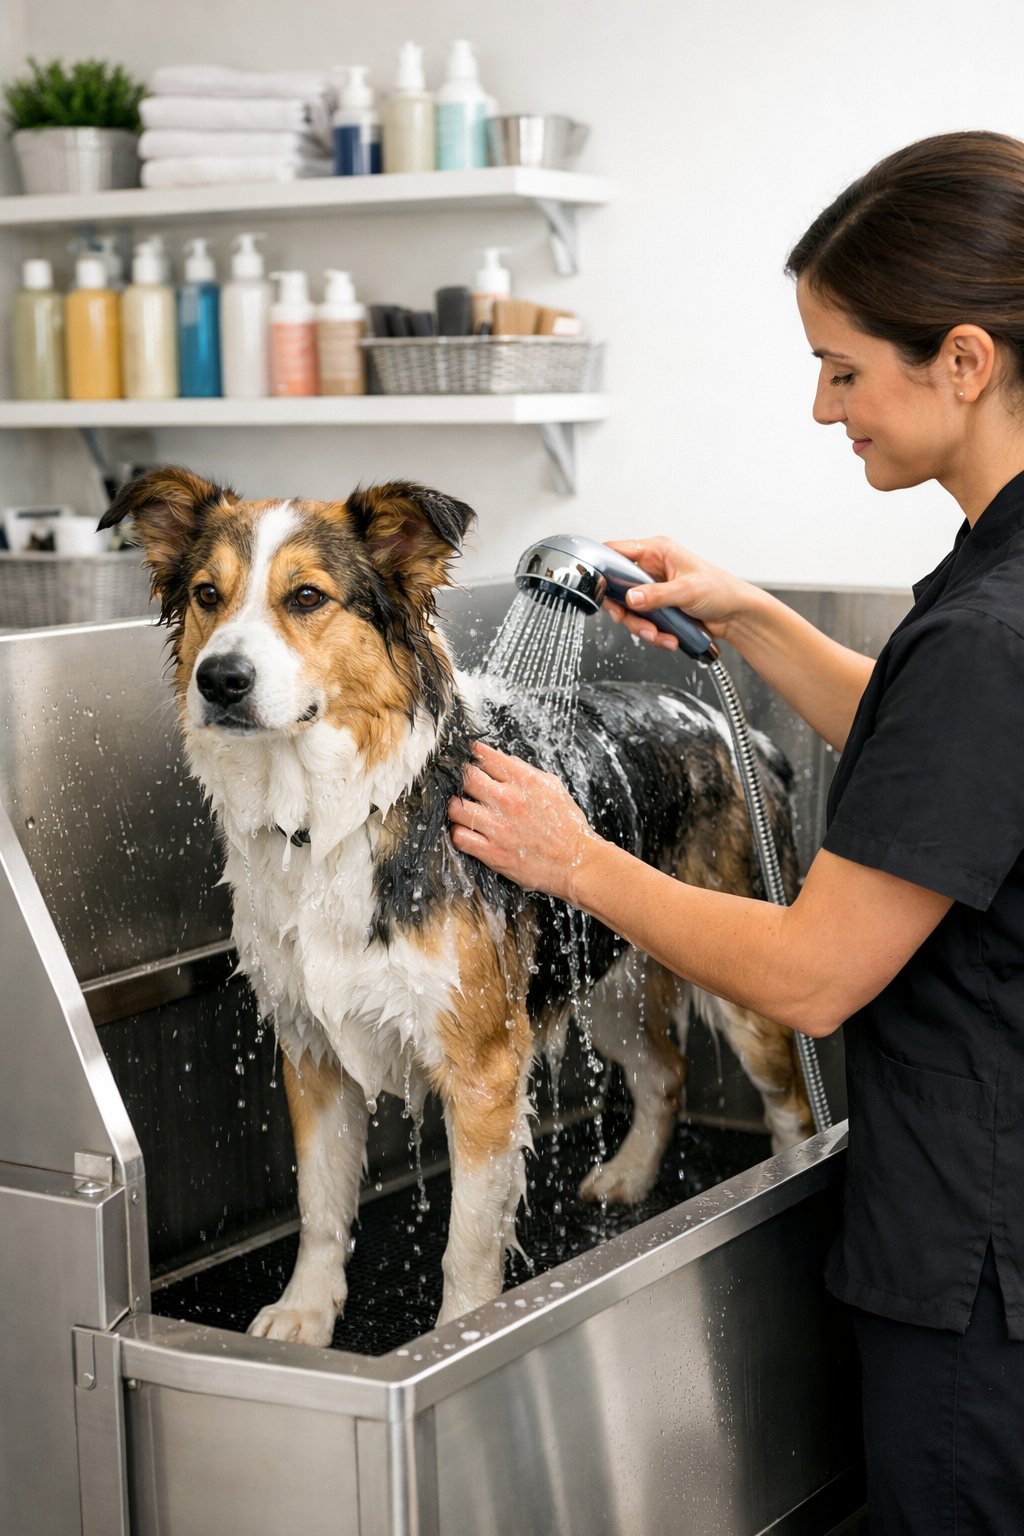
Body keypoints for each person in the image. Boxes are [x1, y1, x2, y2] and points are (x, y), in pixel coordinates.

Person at [448, 130, 1024, 1534]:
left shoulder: (991, 634)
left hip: (979, 1269)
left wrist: (572, 859)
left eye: (842, 367)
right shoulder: (995, 584)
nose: (825, 407)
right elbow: (936, 756)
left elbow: (817, 973)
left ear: (963, 359)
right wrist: (754, 618)